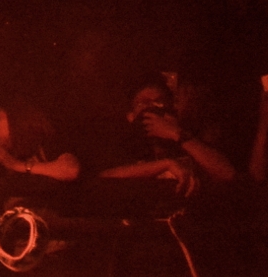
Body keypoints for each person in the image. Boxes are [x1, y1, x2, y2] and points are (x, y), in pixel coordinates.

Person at [99, 74, 232, 191]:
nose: (152, 108)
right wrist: (165, 165)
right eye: (143, 103)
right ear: (131, 116)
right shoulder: (125, 144)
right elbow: (106, 176)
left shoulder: (186, 141)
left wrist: (176, 133)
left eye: (159, 102)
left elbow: (227, 174)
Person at [0, 102, 81, 182]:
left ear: (15, 121)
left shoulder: (47, 142)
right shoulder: (19, 154)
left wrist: (15, 165)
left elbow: (71, 170)